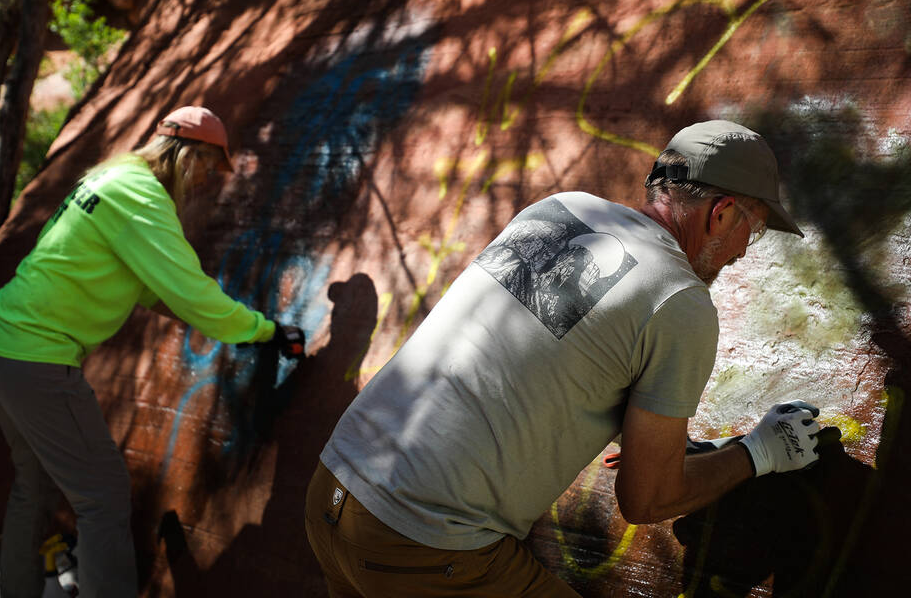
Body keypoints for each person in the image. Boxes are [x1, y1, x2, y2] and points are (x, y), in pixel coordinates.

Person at [306, 119, 827, 597]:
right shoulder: (679, 300)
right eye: (753, 230)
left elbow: (549, 350)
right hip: (422, 540)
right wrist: (760, 453)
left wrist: (661, 443)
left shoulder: (560, 208)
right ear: (722, 213)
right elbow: (646, 500)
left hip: (333, 491)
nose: (742, 250)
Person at [0, 105, 295, 598]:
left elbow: (144, 286)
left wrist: (193, 314)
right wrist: (263, 331)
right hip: (37, 358)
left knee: (32, 484)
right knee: (102, 498)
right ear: (188, 154)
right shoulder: (143, 196)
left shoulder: (113, 175)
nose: (209, 179)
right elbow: (190, 289)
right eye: (209, 166)